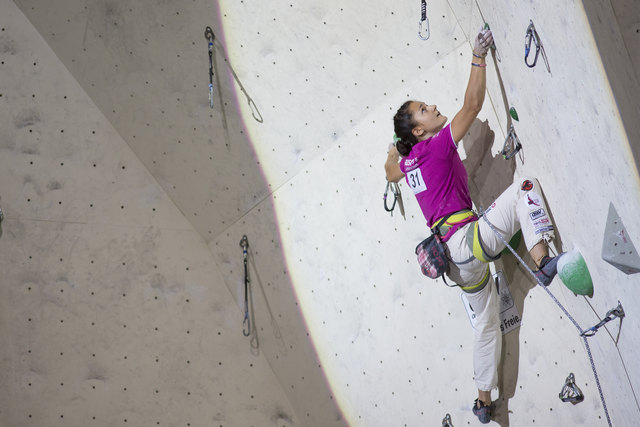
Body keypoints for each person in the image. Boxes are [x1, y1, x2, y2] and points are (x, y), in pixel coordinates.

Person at [384, 28, 563, 424]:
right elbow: (472, 103)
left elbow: (389, 170)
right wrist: (479, 56)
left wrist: (394, 148)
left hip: (457, 265)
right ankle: (542, 261)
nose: (432, 106)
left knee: (485, 325)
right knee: (524, 190)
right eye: (424, 110)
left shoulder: (408, 166)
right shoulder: (433, 147)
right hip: (467, 241)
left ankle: (483, 400)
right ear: (420, 131)